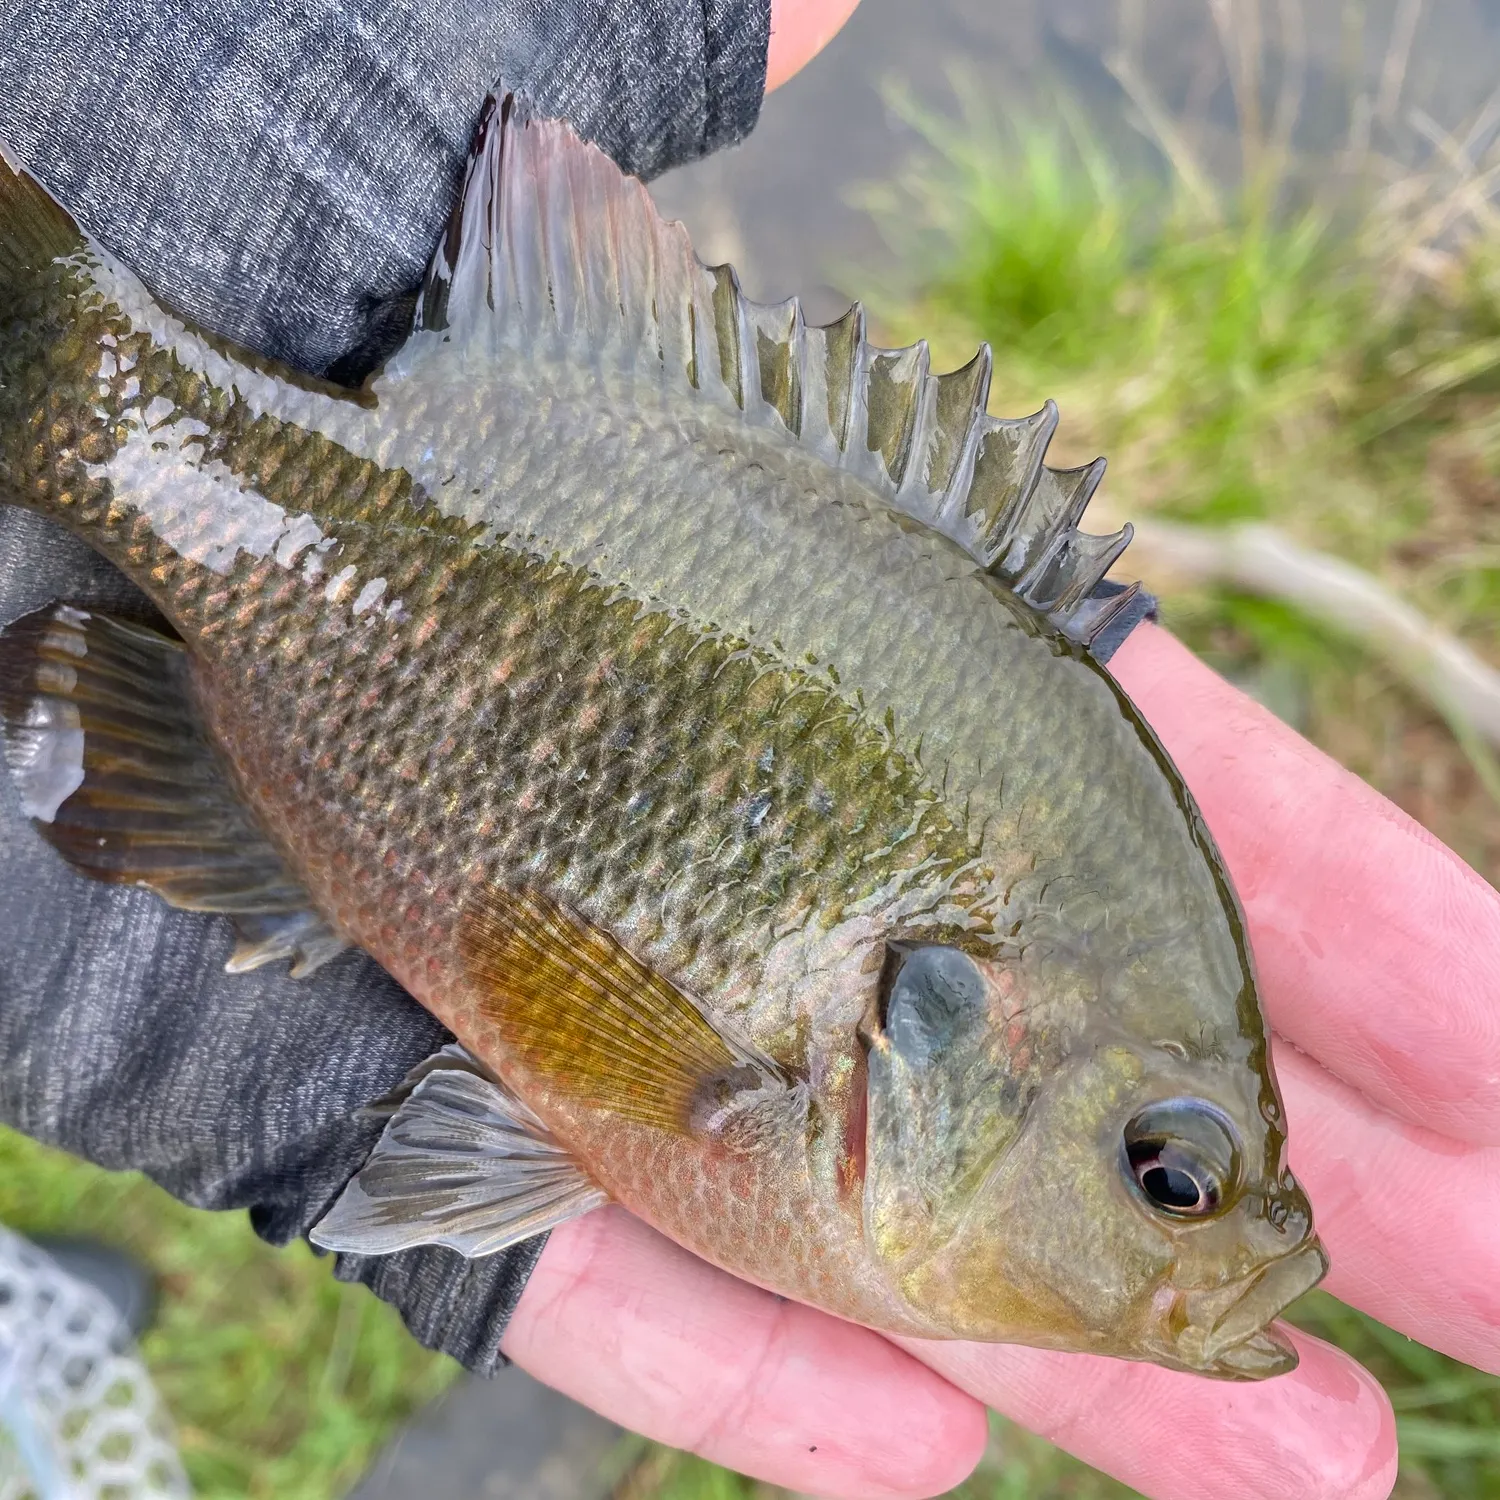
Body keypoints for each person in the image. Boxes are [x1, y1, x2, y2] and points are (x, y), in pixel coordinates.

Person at [0, 2, 1495, 1495]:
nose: (1204, 1233)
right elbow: (566, 1010)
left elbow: (557, 1034)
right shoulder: (800, 1106)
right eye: (1165, 1173)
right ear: (952, 1025)